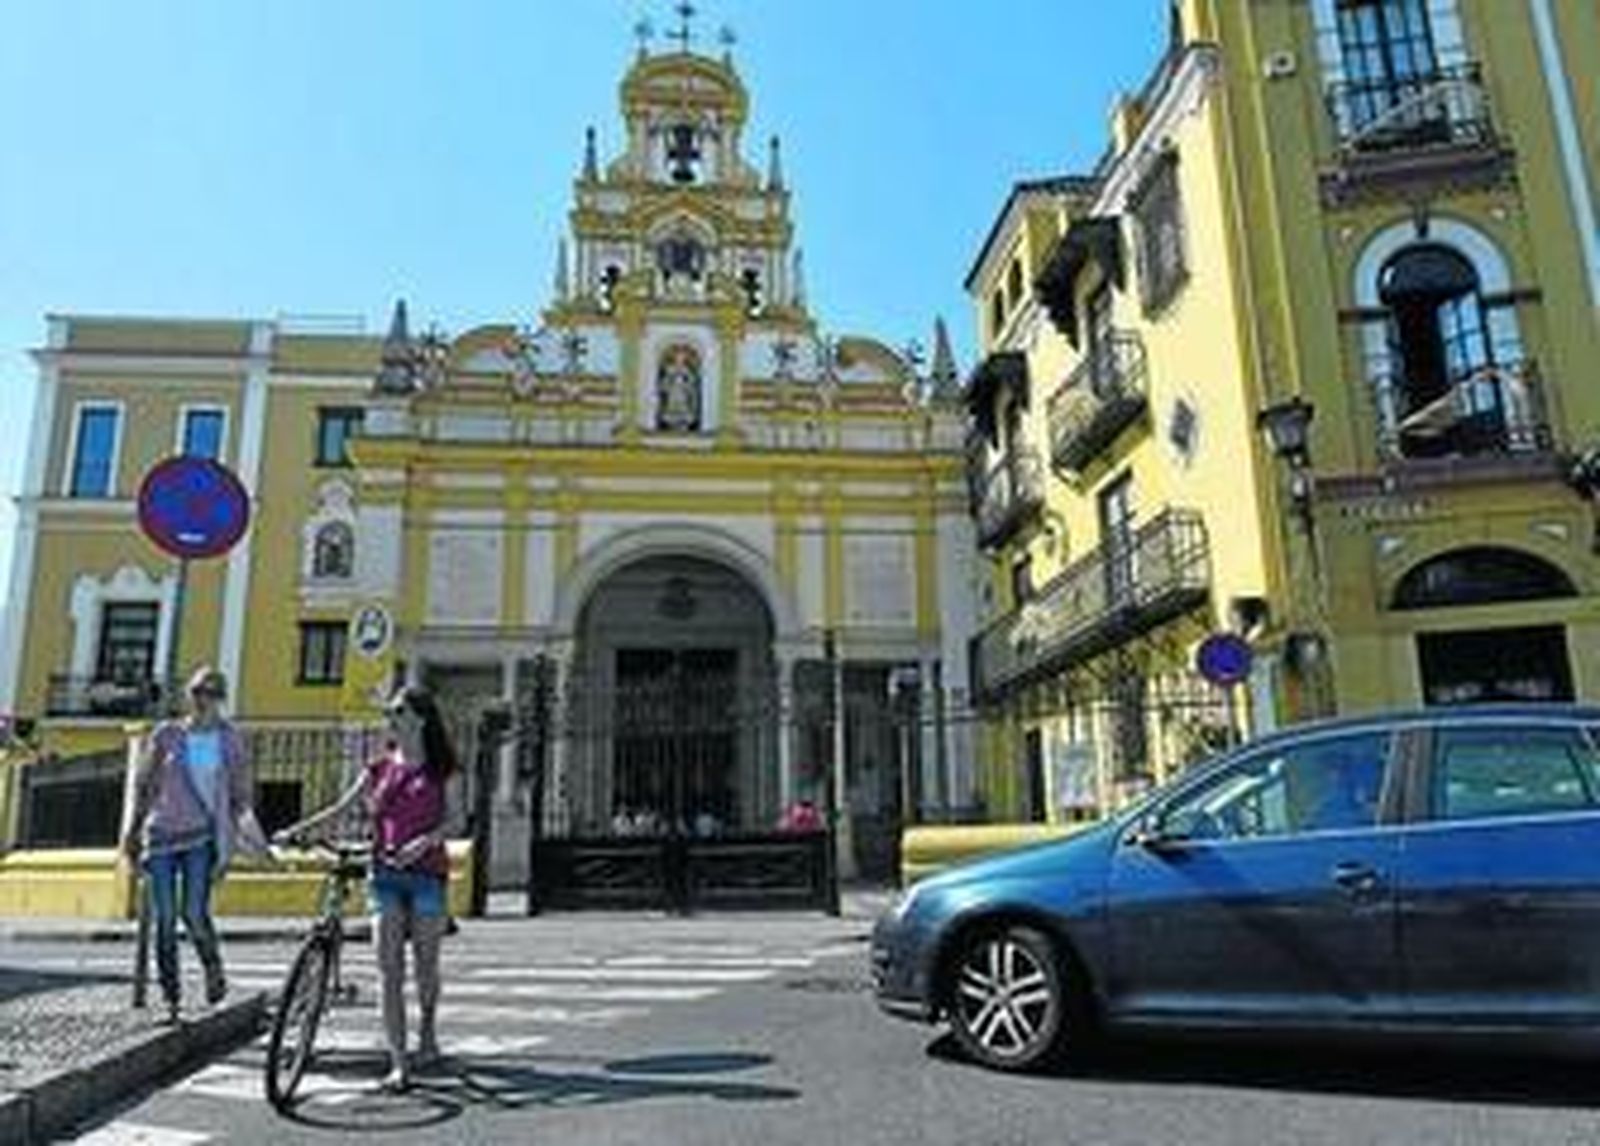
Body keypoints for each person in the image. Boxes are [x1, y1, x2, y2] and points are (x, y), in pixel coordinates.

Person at [274, 686, 458, 1092]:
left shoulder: (440, 768)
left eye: (397, 711)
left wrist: (425, 841)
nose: (390, 717)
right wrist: (296, 831)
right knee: (388, 970)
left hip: (428, 876)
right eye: (390, 711)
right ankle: (399, 1062)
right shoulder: (377, 768)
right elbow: (340, 809)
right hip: (384, 876)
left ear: (419, 718)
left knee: (425, 969)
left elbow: (456, 821)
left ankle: (427, 1033)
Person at [122, 666, 265, 1025]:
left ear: (222, 698)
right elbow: (144, 786)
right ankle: (171, 996)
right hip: (161, 837)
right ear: (189, 694)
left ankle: (212, 966)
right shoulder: (167, 734)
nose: (204, 699)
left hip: (201, 837)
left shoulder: (229, 740)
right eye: (199, 691)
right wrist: (132, 831)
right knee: (164, 920)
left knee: (194, 914)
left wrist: (236, 839)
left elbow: (240, 795)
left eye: (213, 692)